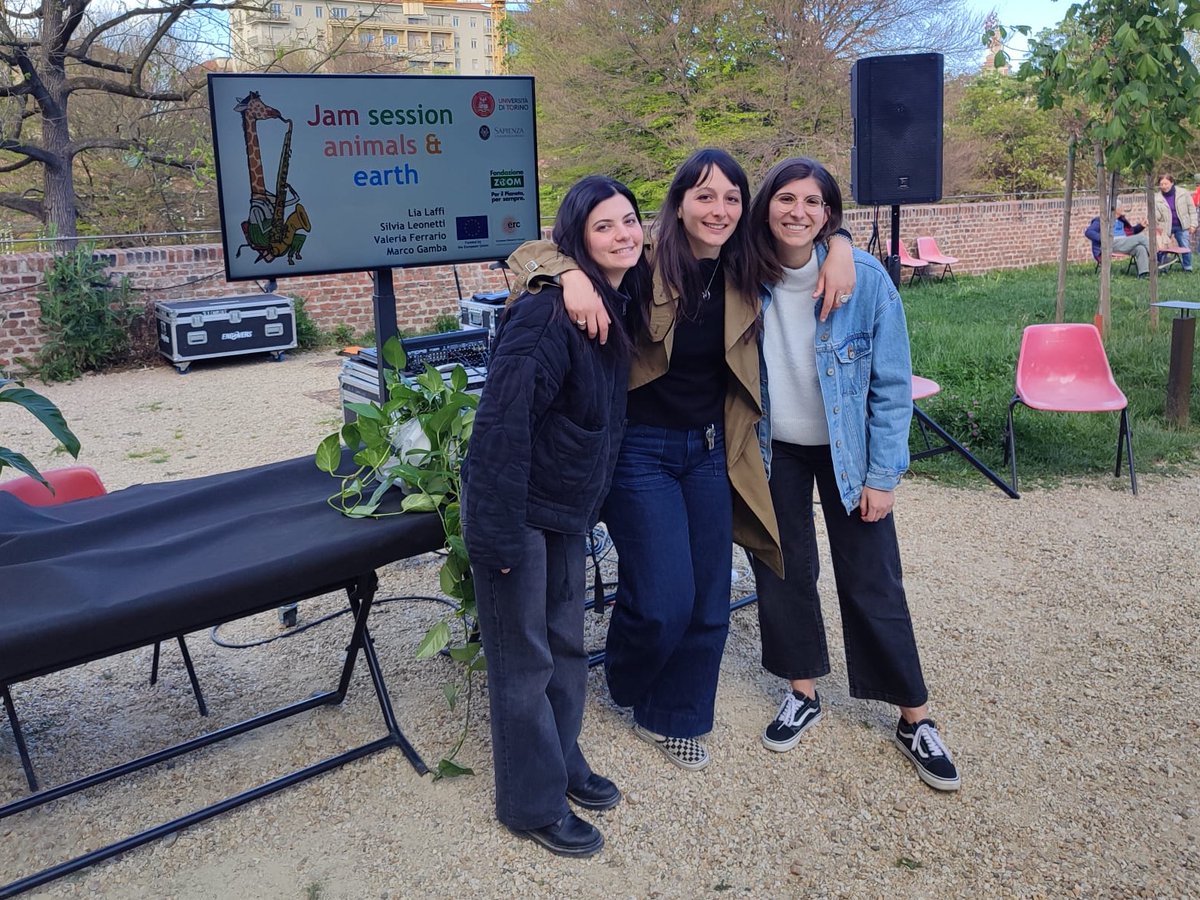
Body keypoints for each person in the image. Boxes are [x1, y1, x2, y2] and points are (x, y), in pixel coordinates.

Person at [508, 148, 858, 771]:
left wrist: (843, 243)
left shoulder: (749, 264)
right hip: (641, 450)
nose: (718, 209)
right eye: (704, 195)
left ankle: (678, 712)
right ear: (678, 204)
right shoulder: (642, 261)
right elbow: (533, 253)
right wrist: (570, 277)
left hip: (711, 449)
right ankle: (627, 675)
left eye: (730, 197)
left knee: (710, 597)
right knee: (663, 595)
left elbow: (808, 227)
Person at [745, 156, 960, 792]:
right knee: (783, 570)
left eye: (814, 203)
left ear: (830, 214)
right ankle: (803, 690)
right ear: (766, 207)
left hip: (850, 452)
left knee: (873, 580)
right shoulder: (743, 272)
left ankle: (912, 715)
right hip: (773, 448)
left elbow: (891, 385)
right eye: (786, 198)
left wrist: (884, 475)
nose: (798, 212)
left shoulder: (864, 279)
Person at [461, 175, 651, 858]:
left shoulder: (607, 296)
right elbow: (500, 428)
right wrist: (497, 535)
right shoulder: (547, 315)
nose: (624, 234)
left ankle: (562, 759)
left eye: (630, 220)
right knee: (523, 663)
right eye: (604, 226)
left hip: (565, 509)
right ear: (577, 239)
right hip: (520, 513)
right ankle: (531, 801)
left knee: (566, 647)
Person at [1084, 206, 1151, 277]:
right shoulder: (1101, 220)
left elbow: (1131, 232)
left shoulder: (1121, 220)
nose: (1122, 210)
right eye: (1120, 208)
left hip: (1123, 243)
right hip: (1111, 243)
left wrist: (1141, 226)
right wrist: (1104, 239)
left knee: (1140, 248)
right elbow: (1089, 232)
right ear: (1115, 209)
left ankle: (1143, 273)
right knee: (1141, 238)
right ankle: (1157, 258)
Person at [1154, 174, 1195, 272]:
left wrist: (1193, 224)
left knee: (1184, 245)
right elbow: (1156, 215)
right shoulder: (1157, 198)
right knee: (1162, 246)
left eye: (1166, 183)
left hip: (1181, 225)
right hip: (1166, 226)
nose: (1164, 186)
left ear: (1172, 183)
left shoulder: (1183, 193)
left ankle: (1187, 267)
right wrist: (1156, 224)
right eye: (1161, 184)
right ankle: (1162, 268)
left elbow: (1192, 209)